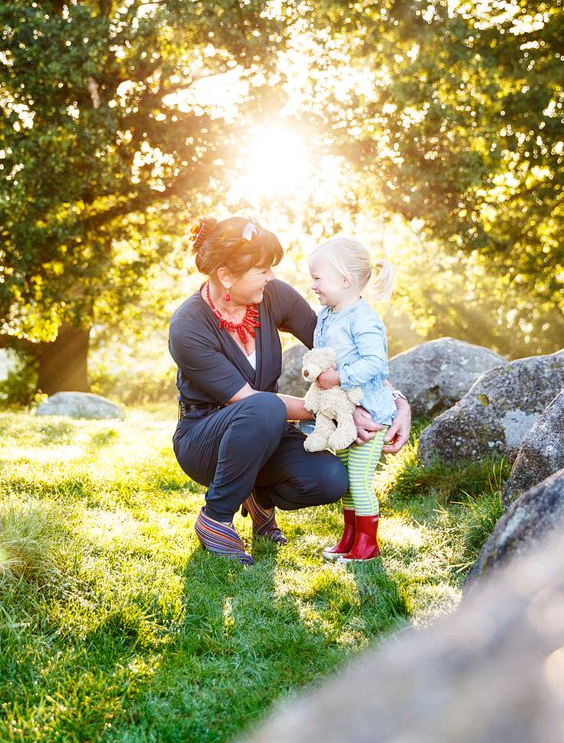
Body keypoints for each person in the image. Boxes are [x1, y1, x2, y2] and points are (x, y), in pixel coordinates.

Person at [168, 216, 411, 565]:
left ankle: (257, 499)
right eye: (262, 269)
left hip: (268, 433)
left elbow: (341, 355)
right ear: (225, 276)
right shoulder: (188, 326)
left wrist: (396, 401)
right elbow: (248, 402)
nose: (271, 277)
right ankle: (216, 518)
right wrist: (335, 409)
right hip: (206, 439)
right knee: (265, 407)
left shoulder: (272, 296)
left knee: (330, 479)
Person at [306, 234, 400, 562]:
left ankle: (367, 543)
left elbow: (376, 363)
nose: (313, 286)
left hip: (370, 411)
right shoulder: (327, 316)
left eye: (317, 279)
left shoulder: (363, 318)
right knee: (346, 481)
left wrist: (338, 377)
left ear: (345, 280)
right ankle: (349, 536)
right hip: (342, 412)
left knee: (359, 480)